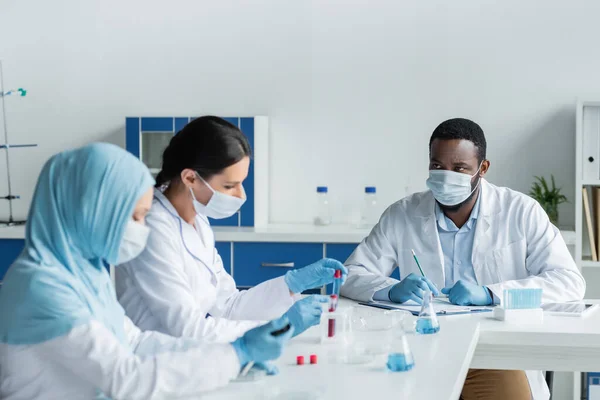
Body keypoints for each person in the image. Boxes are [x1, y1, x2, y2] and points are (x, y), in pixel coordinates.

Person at [0, 143, 293, 399]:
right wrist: (235, 356)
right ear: (93, 210)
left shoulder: (85, 273)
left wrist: (230, 355)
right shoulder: (41, 286)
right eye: (136, 217)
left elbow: (136, 342)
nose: (143, 229)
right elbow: (127, 378)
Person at [340, 118, 585, 400]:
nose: (446, 176)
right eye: (437, 166)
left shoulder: (521, 211)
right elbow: (350, 273)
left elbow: (569, 282)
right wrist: (390, 289)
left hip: (494, 355)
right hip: (424, 349)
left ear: (482, 168)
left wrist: (490, 294)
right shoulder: (403, 214)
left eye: (459, 169)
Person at [116, 116, 347, 343]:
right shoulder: (153, 228)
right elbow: (187, 328)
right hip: (156, 361)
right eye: (229, 185)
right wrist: (283, 326)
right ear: (190, 178)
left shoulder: (199, 220)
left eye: (241, 183)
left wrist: (292, 283)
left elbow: (228, 305)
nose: (240, 195)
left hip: (189, 355)